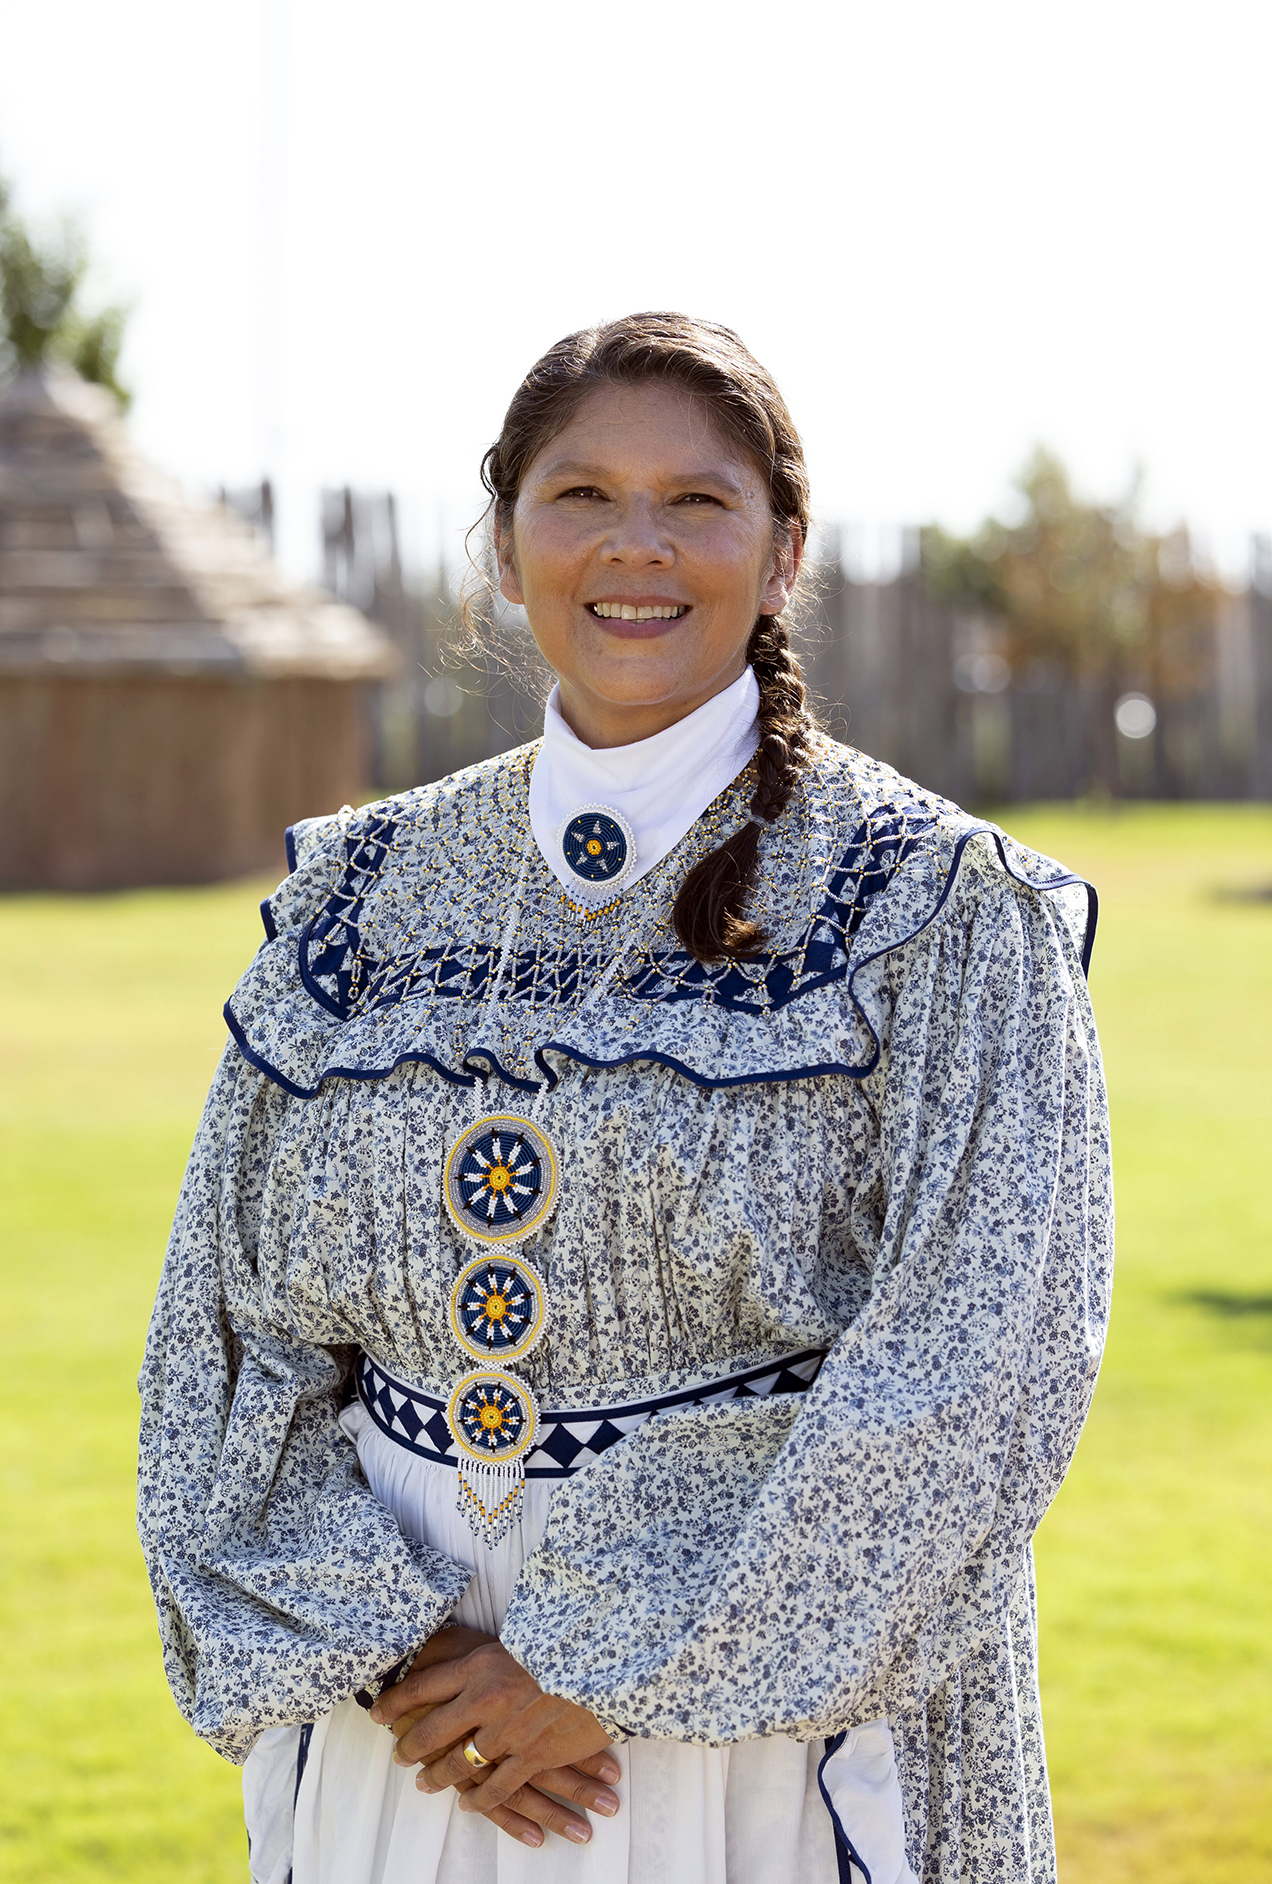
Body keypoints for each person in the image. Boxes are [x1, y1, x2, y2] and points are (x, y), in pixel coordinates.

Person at [137, 312, 1112, 1884]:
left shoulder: (938, 910)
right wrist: (389, 1653)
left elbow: (978, 1367)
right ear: (506, 544)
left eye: (699, 502)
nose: (634, 548)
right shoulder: (355, 900)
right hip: (412, 1739)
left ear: (785, 551)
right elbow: (222, 1340)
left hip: (758, 1743)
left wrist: (609, 1666)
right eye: (580, 496)